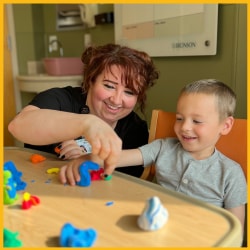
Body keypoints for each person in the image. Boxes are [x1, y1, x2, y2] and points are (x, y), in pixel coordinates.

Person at [59, 79, 247, 234]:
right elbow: (118, 157)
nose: (184, 127)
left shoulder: (231, 173)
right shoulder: (163, 147)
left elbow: (235, 231)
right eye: (179, 118)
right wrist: (89, 156)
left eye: (196, 121)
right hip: (157, 230)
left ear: (226, 125)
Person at [8, 43, 159, 178]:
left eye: (130, 92)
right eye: (109, 86)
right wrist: (88, 123)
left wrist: (89, 160)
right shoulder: (60, 99)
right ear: (90, 80)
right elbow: (17, 126)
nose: (116, 100)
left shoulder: (136, 131)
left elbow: (122, 184)